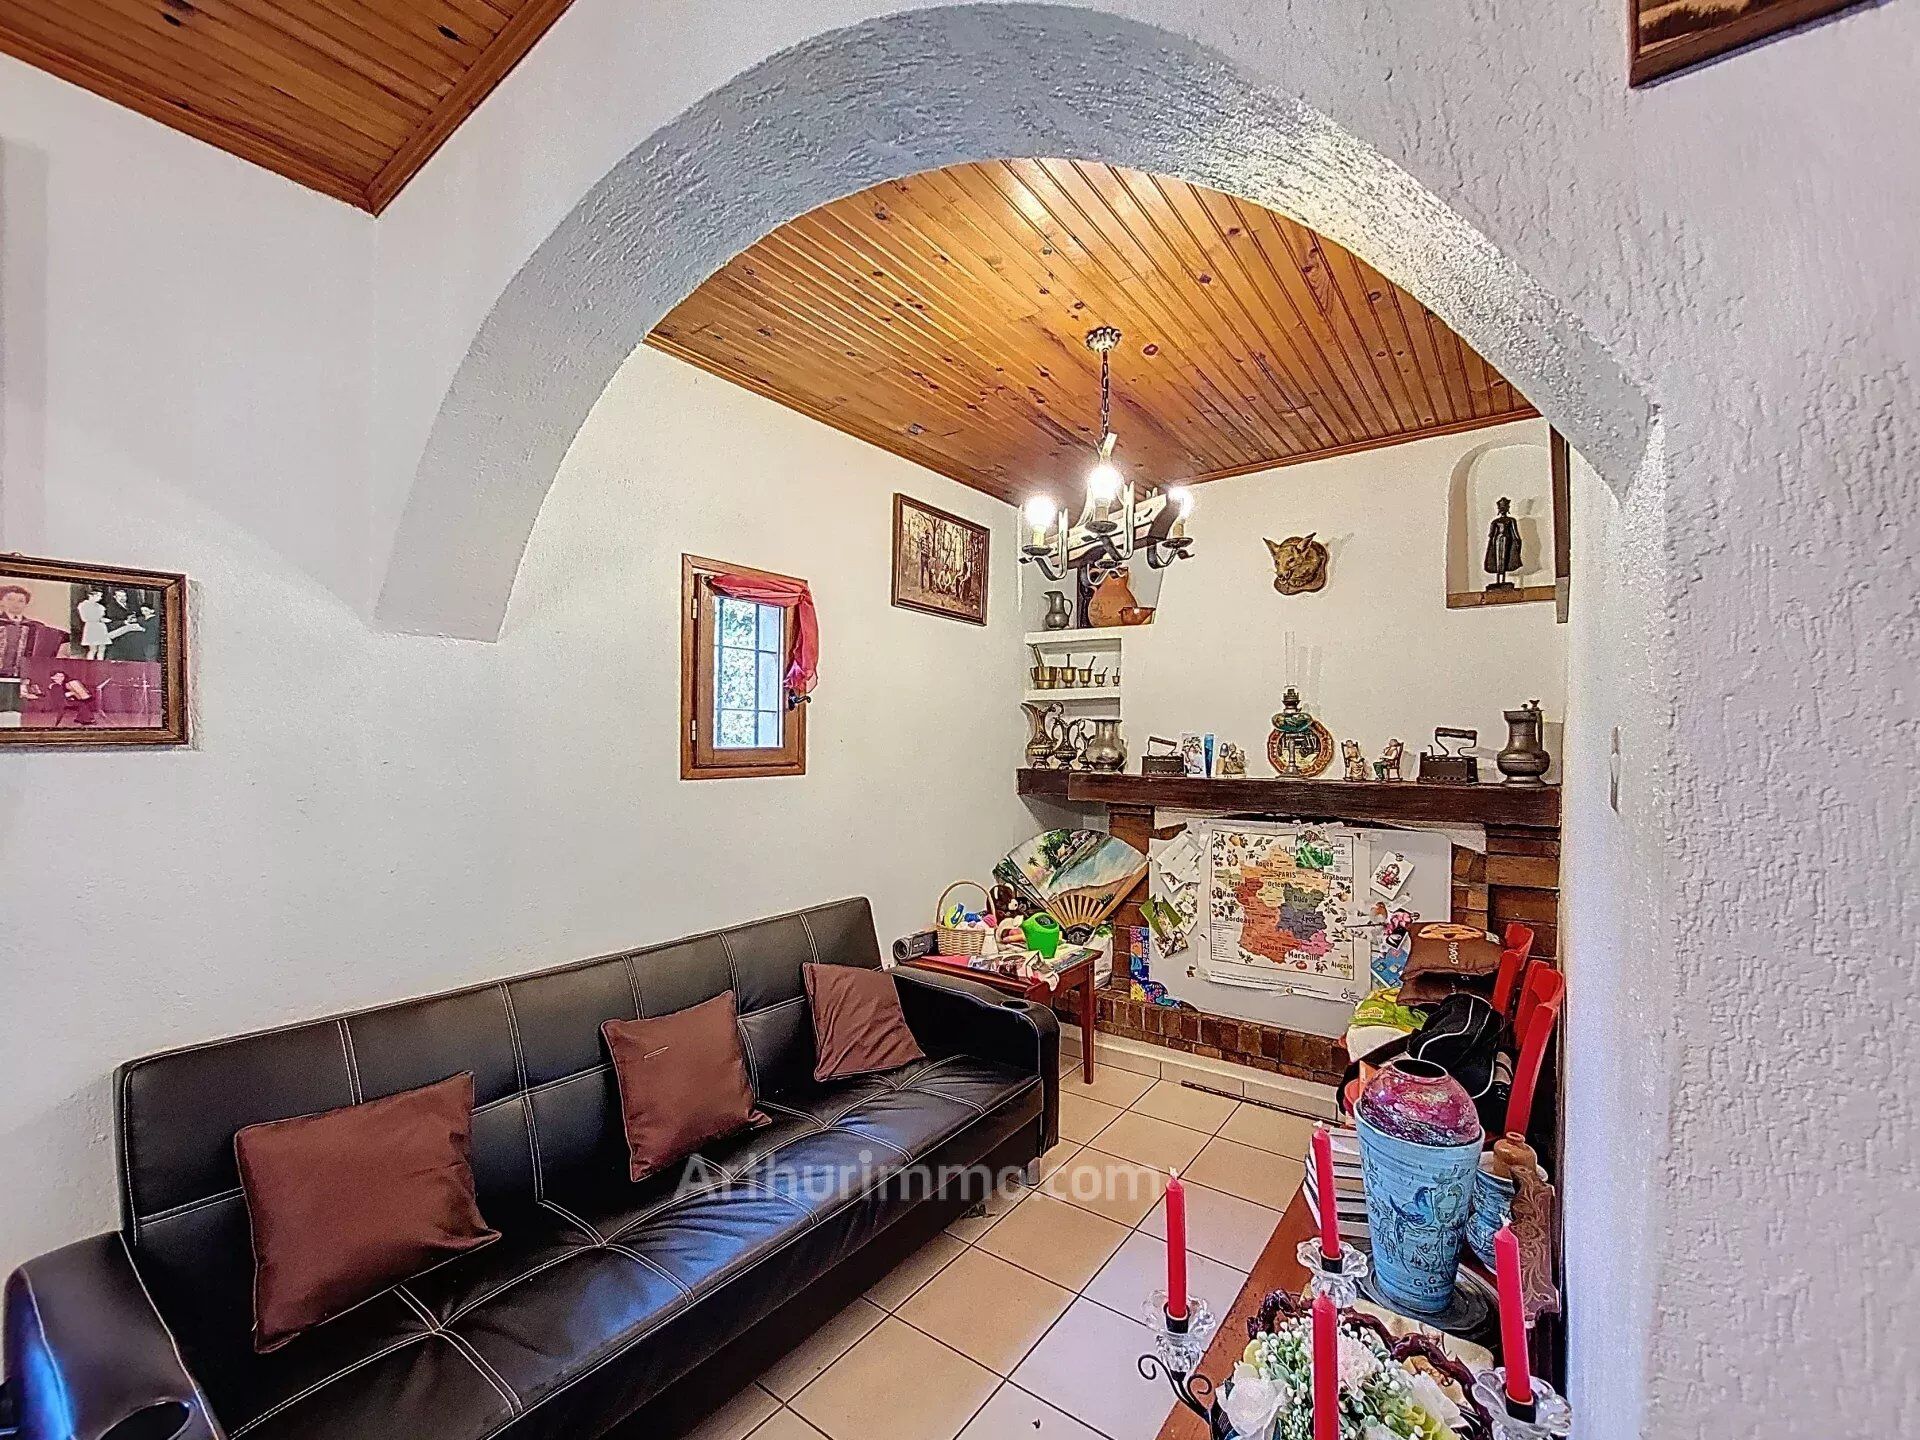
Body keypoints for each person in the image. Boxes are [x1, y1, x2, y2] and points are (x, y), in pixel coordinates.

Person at [0, 584, 68, 677]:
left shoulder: (36, 626)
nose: (15, 603)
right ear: (1, 601)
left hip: (27, 677)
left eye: (21, 601)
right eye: (10, 599)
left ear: (26, 604)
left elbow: (64, 639)